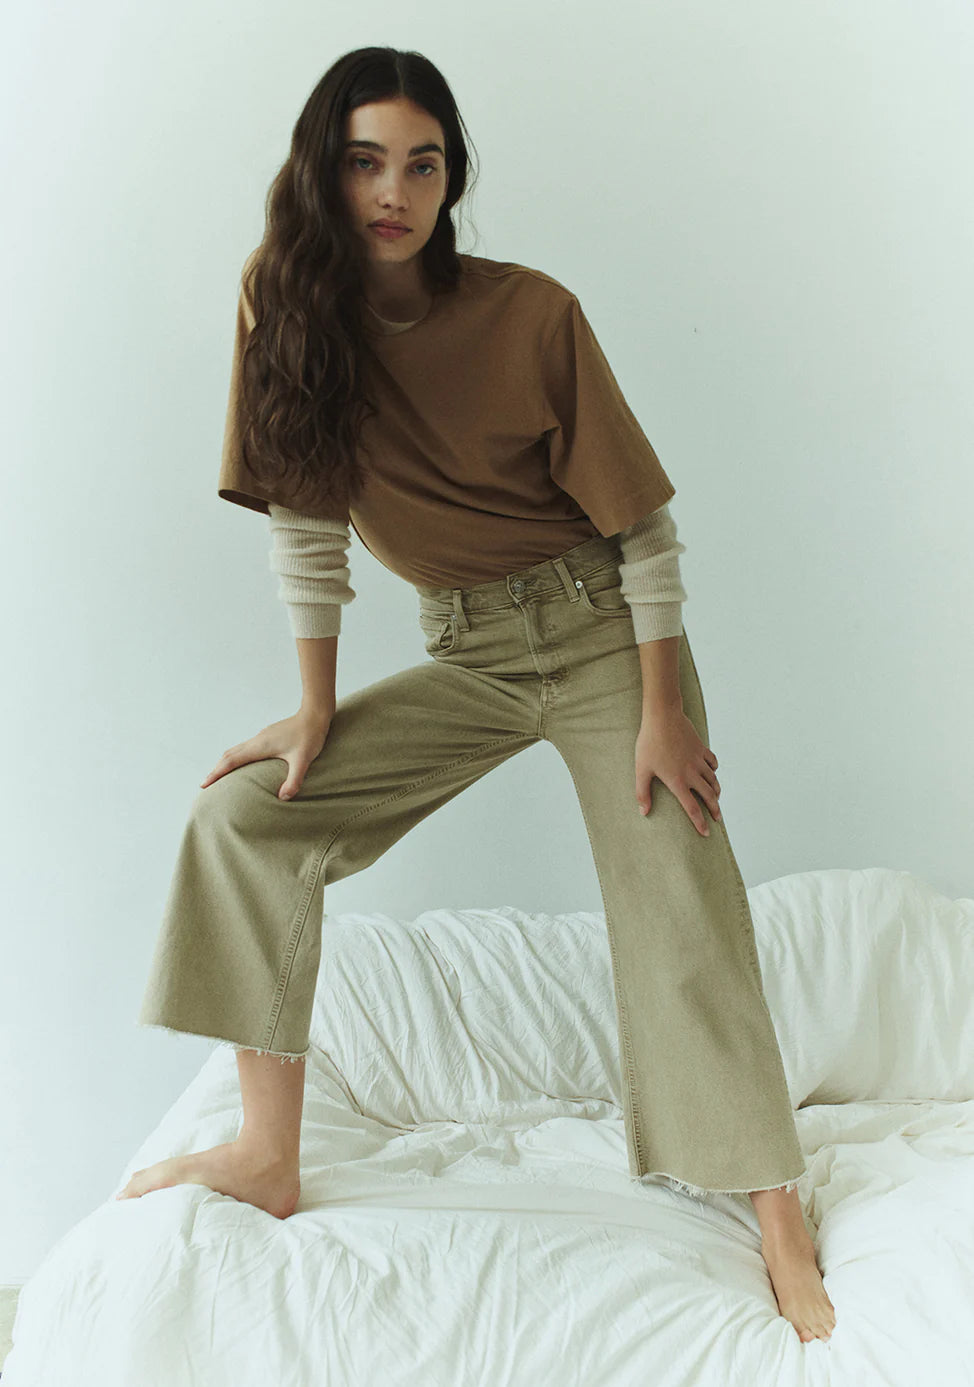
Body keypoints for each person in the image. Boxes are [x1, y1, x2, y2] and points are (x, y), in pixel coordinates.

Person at [116, 46, 835, 1344]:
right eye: (364, 162)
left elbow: (646, 535)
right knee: (242, 819)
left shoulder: (531, 315)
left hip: (606, 639)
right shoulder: (283, 308)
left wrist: (664, 710)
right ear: (322, 172)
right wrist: (315, 711)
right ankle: (266, 1155)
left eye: (423, 164)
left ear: (453, 180)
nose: (393, 191)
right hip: (470, 654)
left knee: (679, 894)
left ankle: (774, 1208)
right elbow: (309, 533)